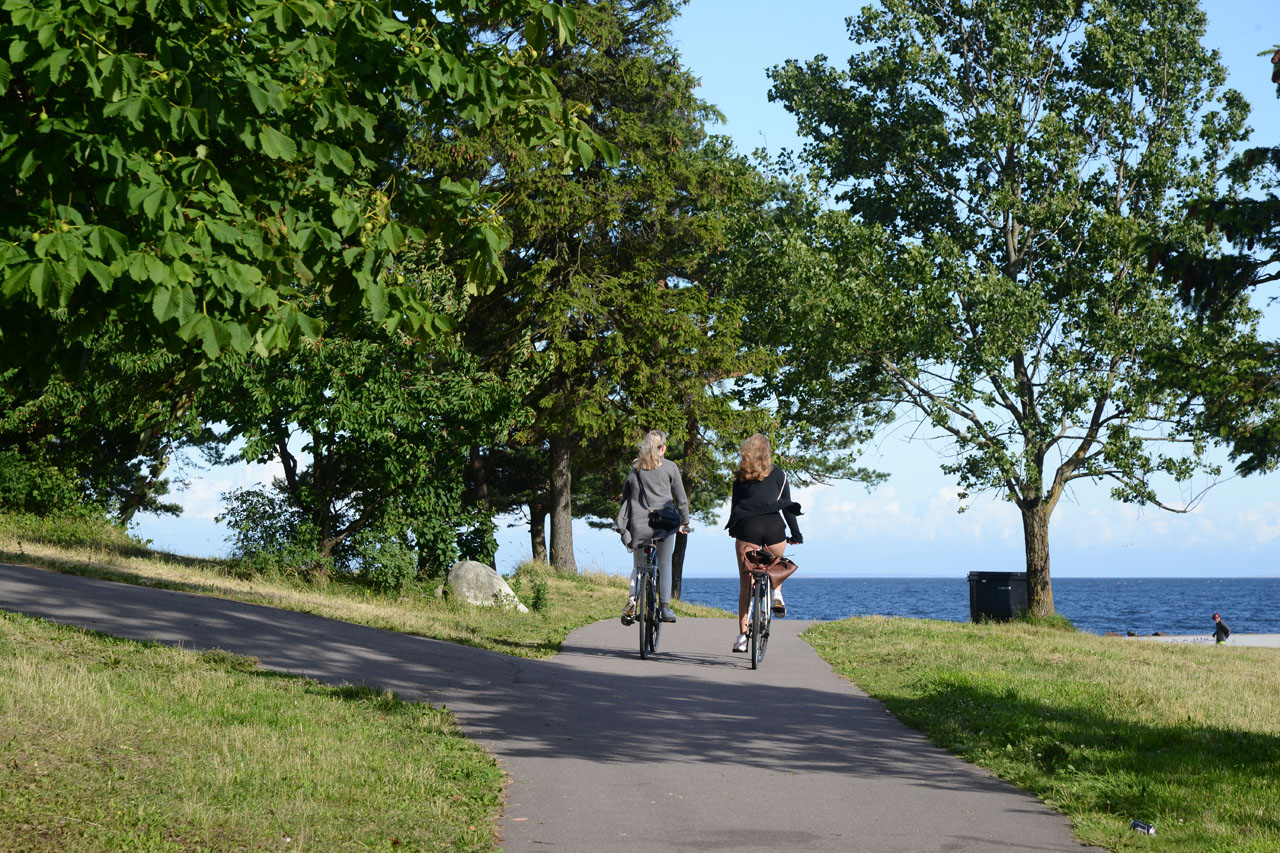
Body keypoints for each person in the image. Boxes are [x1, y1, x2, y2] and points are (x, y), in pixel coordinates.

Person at [724, 433, 802, 653]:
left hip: (748, 528)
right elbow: (787, 507)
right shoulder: (780, 475)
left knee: (745, 585)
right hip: (773, 528)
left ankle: (742, 637)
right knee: (775, 564)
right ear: (767, 452)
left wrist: (734, 529)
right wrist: (796, 535)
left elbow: (735, 506)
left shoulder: (740, 476)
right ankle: (776, 592)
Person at [613, 429, 690, 626]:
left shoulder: (635, 469)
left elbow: (625, 497)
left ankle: (631, 600)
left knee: (638, 566)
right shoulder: (671, 468)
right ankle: (665, 607)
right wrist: (685, 522)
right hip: (663, 525)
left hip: (639, 526)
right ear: (662, 448)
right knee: (665, 563)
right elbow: (681, 500)